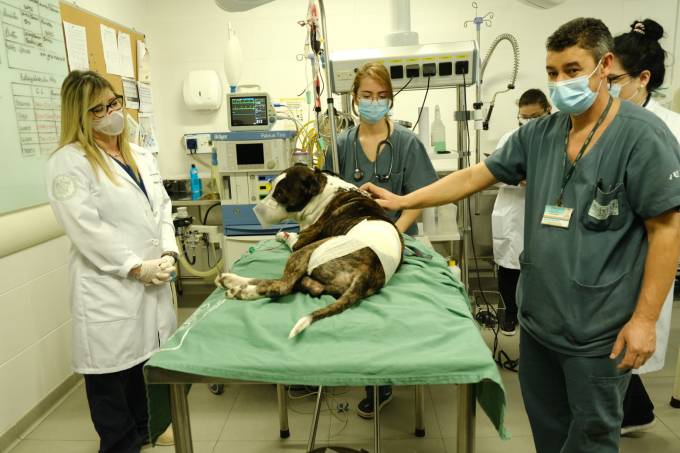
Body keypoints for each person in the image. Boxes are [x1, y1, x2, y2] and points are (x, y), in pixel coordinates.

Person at [362, 18, 680, 453]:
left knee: (592, 436)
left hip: (598, 329)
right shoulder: (540, 134)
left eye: (572, 70)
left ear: (604, 65)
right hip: (538, 322)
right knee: (548, 431)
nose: (560, 82)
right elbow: (475, 175)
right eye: (552, 73)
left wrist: (644, 321)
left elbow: (666, 229)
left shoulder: (641, 136)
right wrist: (402, 201)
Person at [45, 71, 178, 453]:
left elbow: (162, 208)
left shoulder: (138, 153)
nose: (110, 113)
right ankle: (120, 444)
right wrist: (136, 266)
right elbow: (86, 229)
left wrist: (167, 252)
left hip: (151, 281)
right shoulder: (68, 163)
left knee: (142, 366)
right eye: (98, 109)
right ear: (80, 116)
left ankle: (145, 432)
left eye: (113, 103)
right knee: (110, 378)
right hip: (109, 286)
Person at [323, 62, 438, 418]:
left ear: (390, 99)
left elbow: (418, 198)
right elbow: (330, 198)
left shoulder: (406, 142)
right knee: (358, 307)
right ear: (354, 100)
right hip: (354, 243)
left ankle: (389, 375)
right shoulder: (340, 147)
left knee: (395, 310)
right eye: (367, 96)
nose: (374, 102)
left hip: (400, 238)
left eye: (382, 96)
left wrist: (392, 236)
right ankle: (369, 376)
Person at [610, 18, 680, 435]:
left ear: (643, 78)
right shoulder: (610, 118)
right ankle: (632, 410)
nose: (604, 83)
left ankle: (628, 412)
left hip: (650, 245)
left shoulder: (670, 127)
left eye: (613, 77)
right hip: (611, 249)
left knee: (633, 331)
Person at [492, 89, 551, 335]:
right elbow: (493, 174)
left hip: (545, 212)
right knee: (509, 265)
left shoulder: (560, 138)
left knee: (543, 267)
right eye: (524, 117)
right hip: (514, 211)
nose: (528, 122)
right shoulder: (509, 138)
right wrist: (519, 181)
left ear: (548, 111)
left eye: (534, 117)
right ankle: (509, 314)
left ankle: (540, 318)